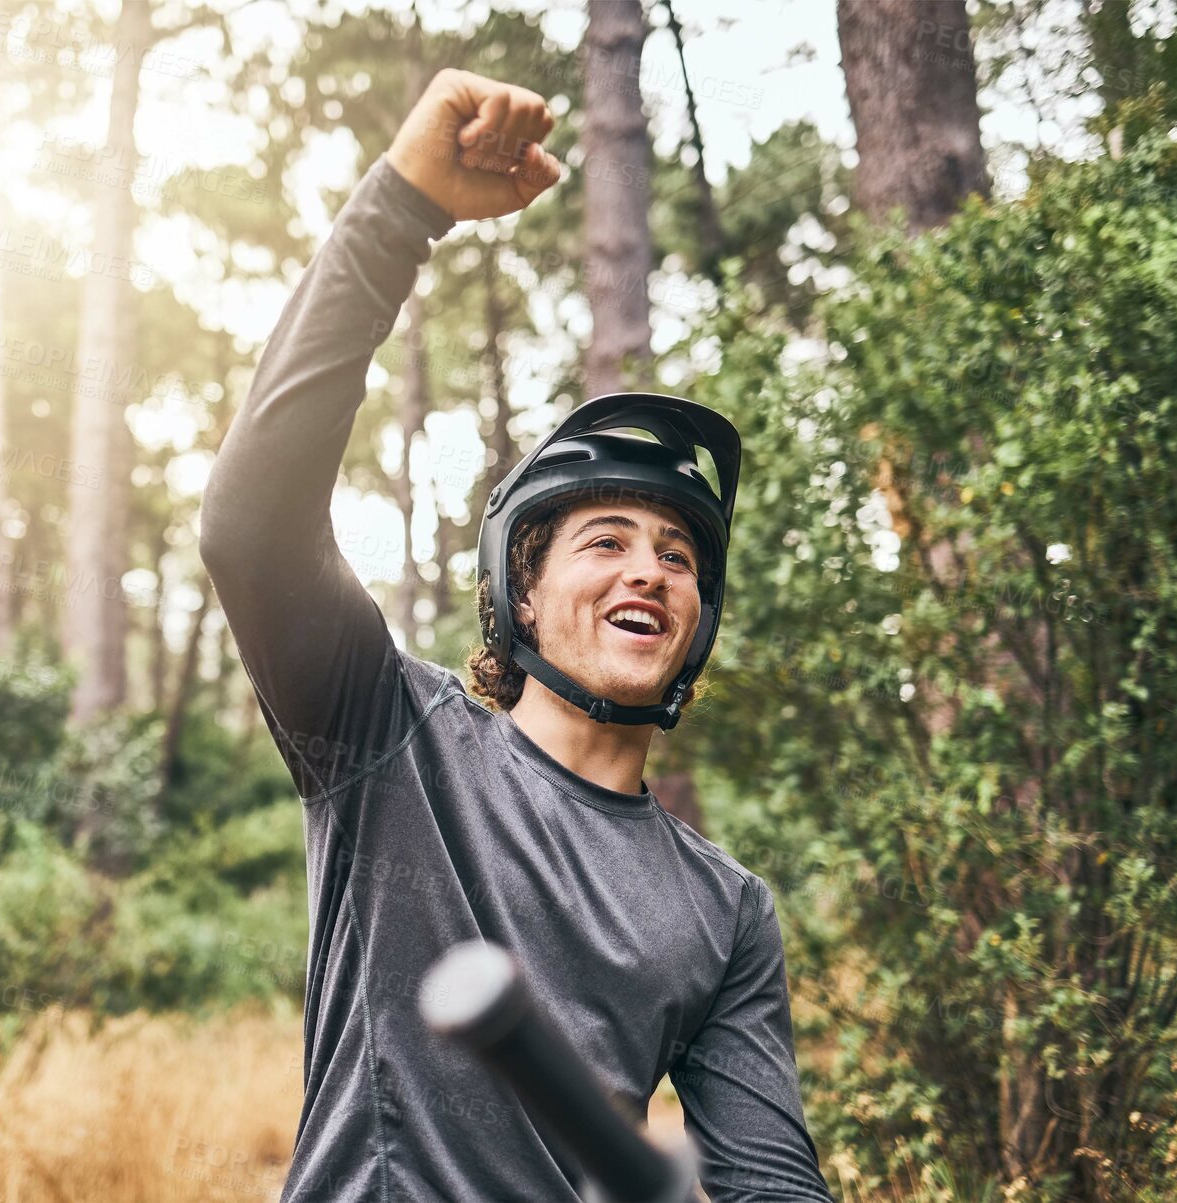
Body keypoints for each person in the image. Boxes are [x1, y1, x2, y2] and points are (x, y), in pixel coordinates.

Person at [201, 67, 834, 1203]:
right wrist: (402, 209)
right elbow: (250, 527)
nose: (648, 566)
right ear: (522, 598)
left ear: (693, 619)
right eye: (604, 541)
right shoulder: (392, 742)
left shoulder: (724, 909)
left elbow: (769, 1185)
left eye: (677, 555)